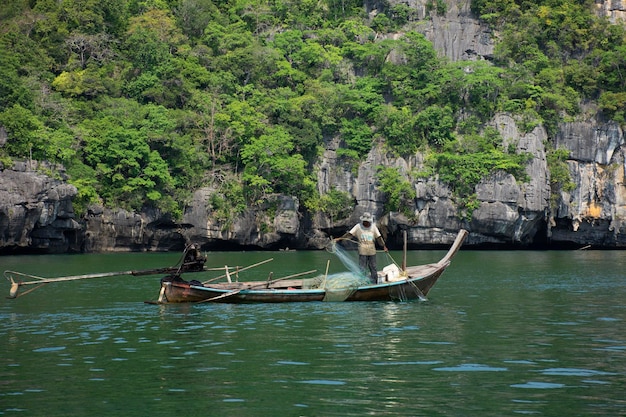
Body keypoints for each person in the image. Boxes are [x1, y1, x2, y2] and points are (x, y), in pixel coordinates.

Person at [335, 212, 388, 284]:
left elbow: (379, 238)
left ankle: (374, 283)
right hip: (362, 251)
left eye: (368, 221)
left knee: (373, 267)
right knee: (362, 268)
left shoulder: (373, 227)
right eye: (365, 221)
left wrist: (384, 246)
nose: (366, 223)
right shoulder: (358, 227)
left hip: (372, 251)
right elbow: (349, 234)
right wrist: (340, 238)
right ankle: (362, 283)